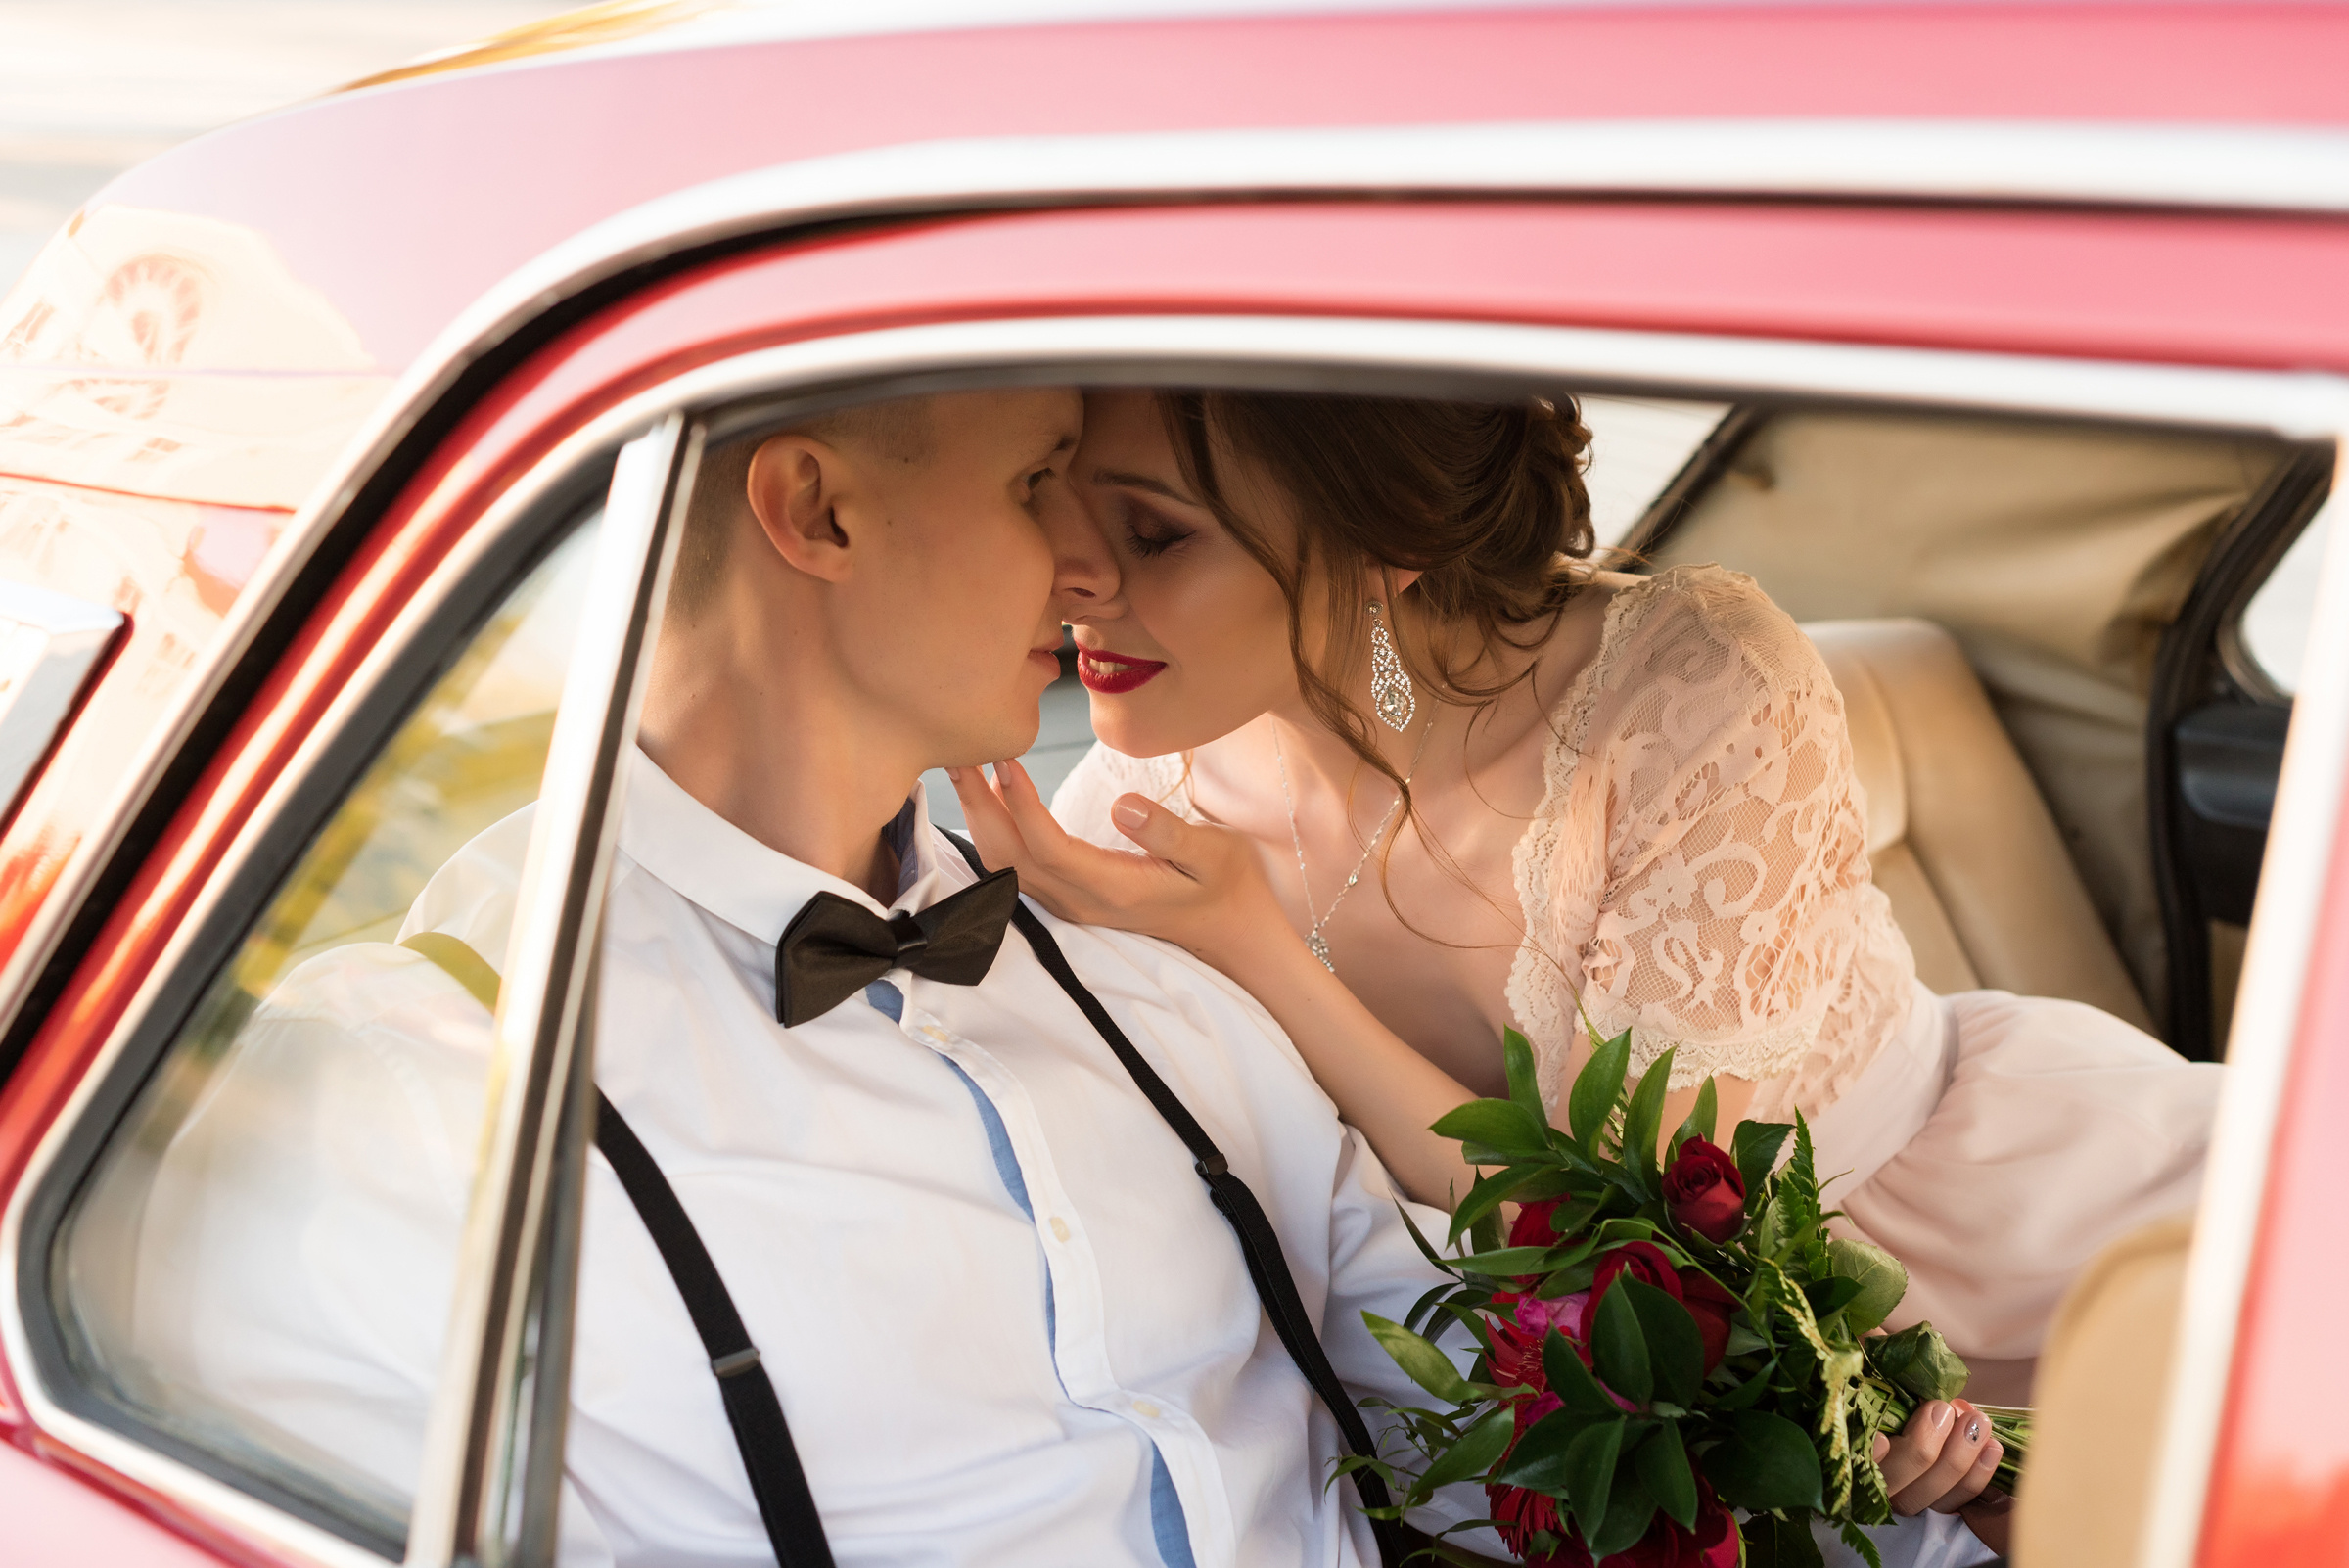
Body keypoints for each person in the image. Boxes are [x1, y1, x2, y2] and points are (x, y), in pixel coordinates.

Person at [134, 390, 1497, 1566]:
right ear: (815, 510)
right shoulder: (411, 1096)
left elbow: (1533, 1450)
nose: (1087, 573)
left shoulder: (1154, 978)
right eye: (1038, 483)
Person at [950, 388, 2224, 1564]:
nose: (1070, 570)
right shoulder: (1126, 813)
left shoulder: (1691, 686)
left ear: (1381, 540)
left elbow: (1650, 1247)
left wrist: (1263, 958)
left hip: (2033, 1240)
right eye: (1058, 491)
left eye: (1155, 532)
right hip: (1670, 1412)